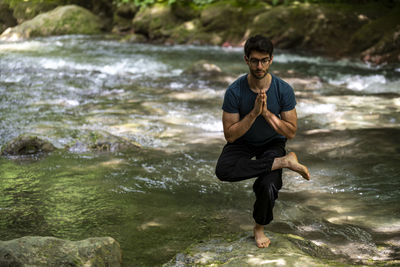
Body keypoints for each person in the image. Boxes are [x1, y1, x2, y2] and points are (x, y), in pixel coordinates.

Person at [215, 35, 310, 248]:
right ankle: (284, 162)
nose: (259, 66)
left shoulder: (283, 89)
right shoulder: (234, 91)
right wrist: (253, 113)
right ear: (246, 60)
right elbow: (230, 136)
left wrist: (266, 114)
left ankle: (259, 227)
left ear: (271, 60)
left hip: (272, 143)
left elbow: (291, 132)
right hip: (243, 141)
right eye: (255, 60)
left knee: (268, 184)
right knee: (223, 170)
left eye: (264, 60)